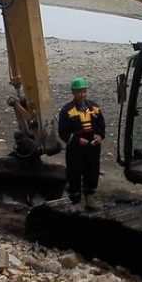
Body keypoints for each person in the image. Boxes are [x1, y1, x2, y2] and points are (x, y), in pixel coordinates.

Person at [58, 76, 105, 211]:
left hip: (92, 147)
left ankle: (90, 198)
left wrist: (100, 136)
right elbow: (63, 132)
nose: (82, 94)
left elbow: (101, 125)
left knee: (92, 171)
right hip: (75, 150)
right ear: (73, 92)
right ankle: (75, 201)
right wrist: (77, 140)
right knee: (74, 173)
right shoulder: (66, 111)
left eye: (84, 91)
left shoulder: (95, 107)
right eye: (79, 92)